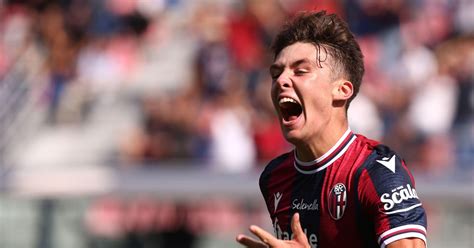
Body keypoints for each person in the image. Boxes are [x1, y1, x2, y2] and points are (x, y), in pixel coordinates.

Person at [236, 11, 427, 248]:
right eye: (276, 73)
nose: (281, 81)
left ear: (342, 90)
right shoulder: (274, 176)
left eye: (300, 71)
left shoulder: (378, 172)